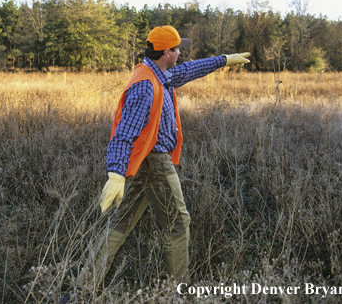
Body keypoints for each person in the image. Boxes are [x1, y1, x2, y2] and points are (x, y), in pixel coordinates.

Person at [80, 25, 250, 289]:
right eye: (177, 48)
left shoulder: (158, 73)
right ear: (167, 52)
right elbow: (124, 132)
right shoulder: (146, 85)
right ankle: (178, 290)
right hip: (154, 164)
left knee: (119, 224)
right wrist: (115, 174)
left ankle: (83, 287)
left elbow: (188, 70)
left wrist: (224, 60)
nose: (181, 52)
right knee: (178, 224)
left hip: (141, 164)